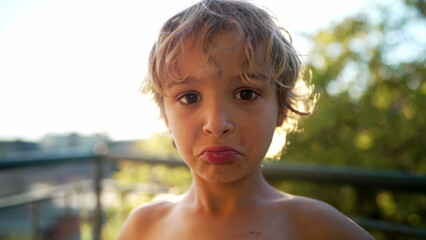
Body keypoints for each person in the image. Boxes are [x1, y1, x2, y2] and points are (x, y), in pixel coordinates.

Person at [118, 0, 375, 239]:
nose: (217, 124)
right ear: (165, 115)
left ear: (281, 109)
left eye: (246, 93)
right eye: (189, 98)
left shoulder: (315, 227)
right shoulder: (143, 226)